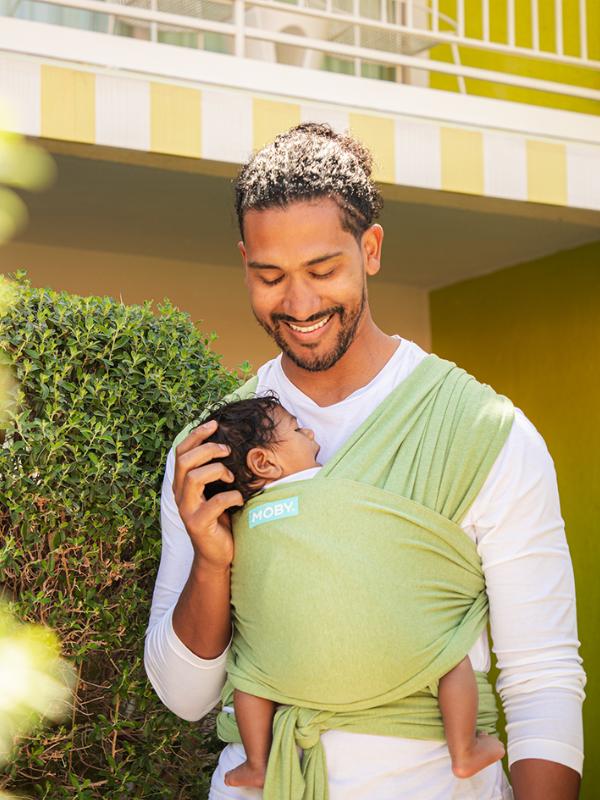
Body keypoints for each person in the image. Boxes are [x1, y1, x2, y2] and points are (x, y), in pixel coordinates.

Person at [144, 123, 585, 800]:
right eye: (269, 276)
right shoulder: (214, 452)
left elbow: (542, 678)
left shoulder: (486, 434)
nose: (298, 304)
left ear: (370, 249)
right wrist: (212, 560)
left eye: (323, 270)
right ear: (245, 263)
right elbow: (184, 698)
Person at [198, 393, 505, 790]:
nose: (310, 432)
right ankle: (464, 749)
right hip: (384, 649)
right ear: (264, 461)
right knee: (448, 659)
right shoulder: (334, 487)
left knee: (249, 678)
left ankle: (258, 762)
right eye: (295, 428)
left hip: (289, 663)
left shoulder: (240, 522)